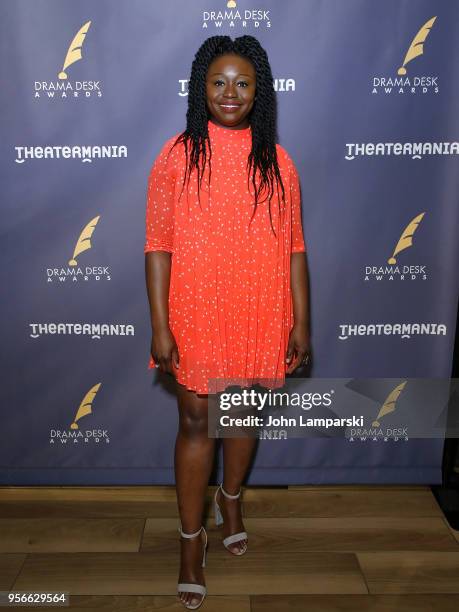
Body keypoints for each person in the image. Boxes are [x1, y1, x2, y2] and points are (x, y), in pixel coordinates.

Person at [144, 35, 310, 610]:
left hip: (258, 308)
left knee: (240, 411)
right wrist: (160, 323)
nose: (230, 94)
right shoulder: (176, 155)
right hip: (195, 309)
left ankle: (231, 498)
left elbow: (294, 248)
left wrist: (301, 321)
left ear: (259, 90)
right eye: (218, 83)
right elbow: (158, 246)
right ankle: (191, 543)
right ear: (200, 89)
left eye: (242, 83)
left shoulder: (278, 162)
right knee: (196, 419)